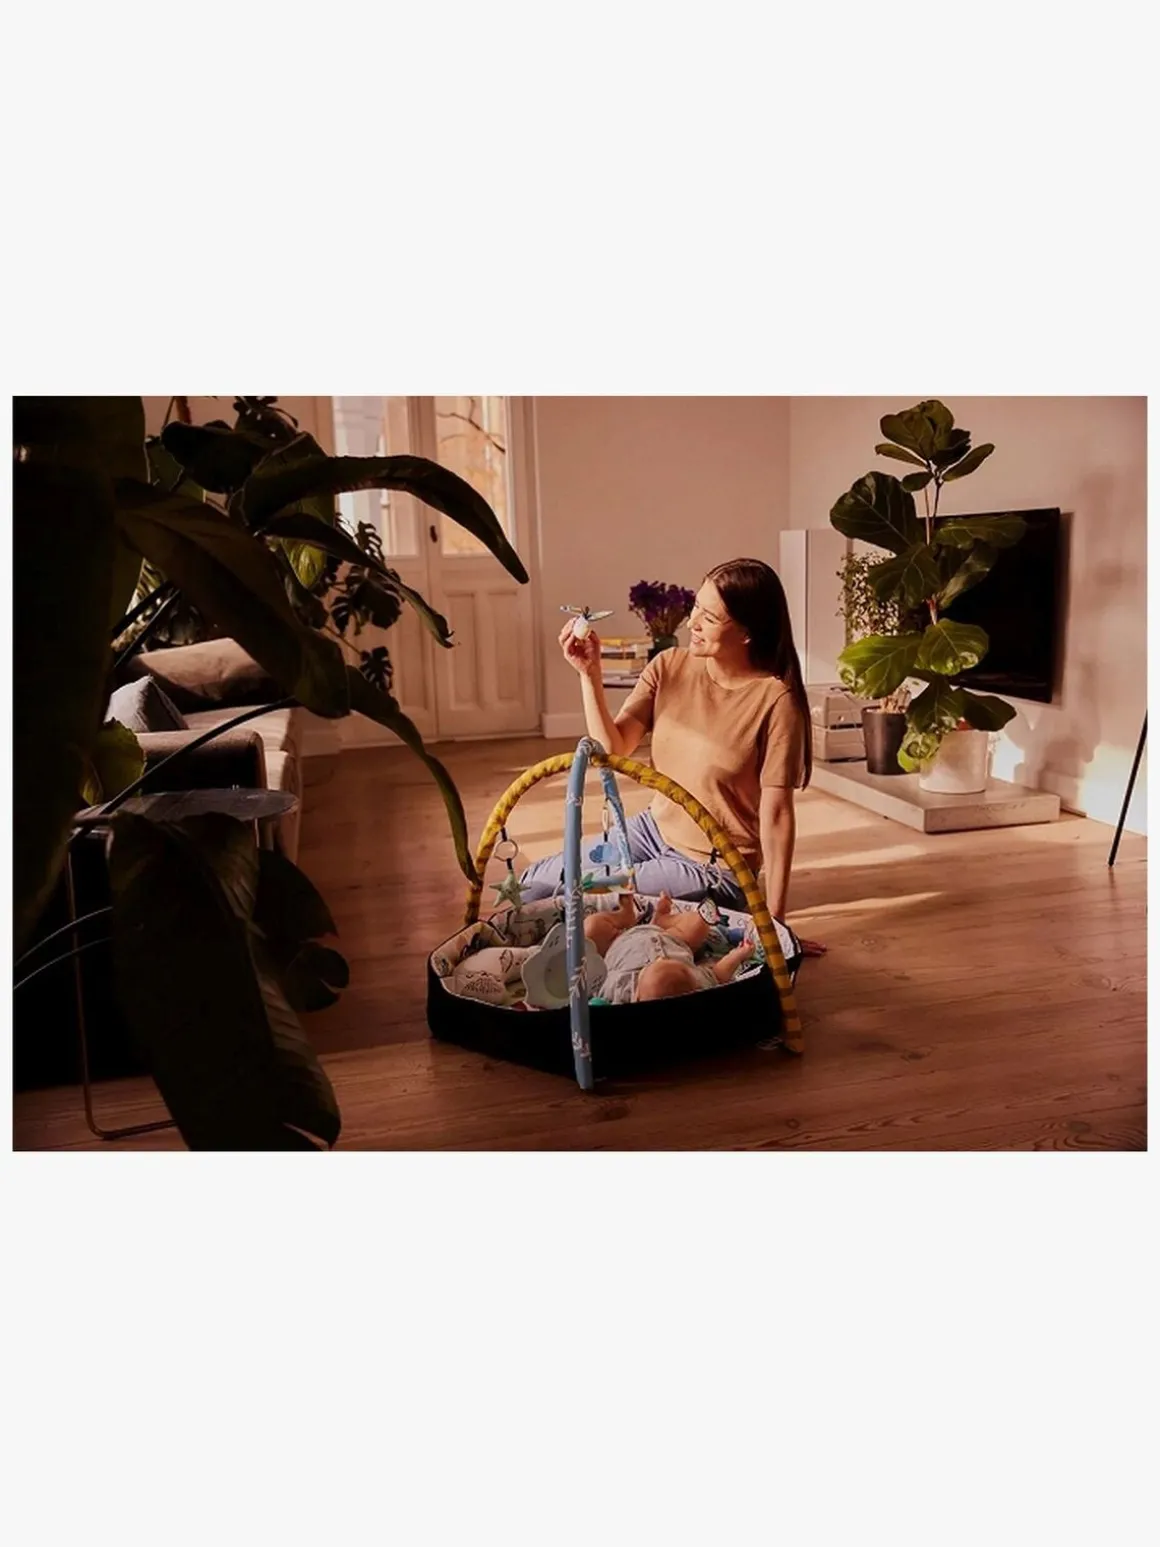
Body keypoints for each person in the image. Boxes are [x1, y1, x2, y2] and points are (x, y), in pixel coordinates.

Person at [519, 557, 826, 956]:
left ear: (747, 632)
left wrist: (775, 924)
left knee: (577, 900)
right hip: (652, 830)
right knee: (534, 885)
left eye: (709, 618)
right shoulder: (669, 666)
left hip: (712, 865)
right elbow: (613, 748)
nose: (692, 622)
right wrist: (589, 674)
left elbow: (778, 815)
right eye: (696, 607)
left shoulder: (776, 702)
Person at [584, 890, 756, 1004]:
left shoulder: (617, 990)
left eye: (653, 965)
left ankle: (625, 917)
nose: (660, 957)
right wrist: (737, 955)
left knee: (591, 928)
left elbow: (592, 985)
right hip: (672, 938)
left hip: (619, 942)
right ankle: (662, 919)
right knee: (699, 922)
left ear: (636, 997)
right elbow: (718, 974)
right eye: (666, 960)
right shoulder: (696, 981)